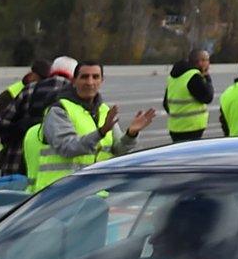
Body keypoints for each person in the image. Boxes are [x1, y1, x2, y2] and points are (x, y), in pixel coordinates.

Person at [30, 61, 155, 192]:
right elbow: (67, 148)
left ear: (102, 80)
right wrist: (101, 132)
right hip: (62, 192)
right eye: (84, 77)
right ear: (74, 81)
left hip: (95, 192)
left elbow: (118, 150)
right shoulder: (59, 110)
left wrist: (131, 134)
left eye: (95, 77)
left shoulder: (104, 111)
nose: (90, 82)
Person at [0, 55, 75, 172]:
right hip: (58, 168)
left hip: (18, 161)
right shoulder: (77, 96)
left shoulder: (29, 89)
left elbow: (2, 124)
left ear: (52, 70)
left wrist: (22, 127)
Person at [0, 60, 50, 176]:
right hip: (12, 154)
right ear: (32, 75)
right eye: (41, 79)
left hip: (33, 157)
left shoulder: (44, 91)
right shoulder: (11, 94)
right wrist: (20, 127)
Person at [164, 49, 215, 142]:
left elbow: (166, 103)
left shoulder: (173, 77)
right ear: (201, 62)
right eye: (207, 60)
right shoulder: (193, 76)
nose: (209, 63)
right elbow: (208, 97)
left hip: (175, 127)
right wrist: (207, 77)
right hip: (192, 127)